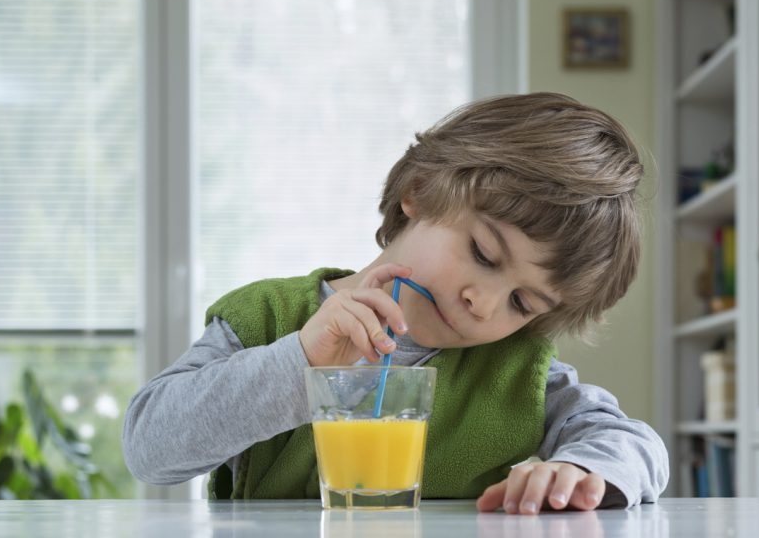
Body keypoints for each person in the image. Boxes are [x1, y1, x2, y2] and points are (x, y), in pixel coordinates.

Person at [122, 92, 669, 513]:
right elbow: (150, 448)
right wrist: (302, 362)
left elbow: (633, 442)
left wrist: (580, 469)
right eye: (482, 253)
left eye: (522, 303)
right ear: (420, 193)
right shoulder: (266, 318)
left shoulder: (516, 371)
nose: (482, 304)